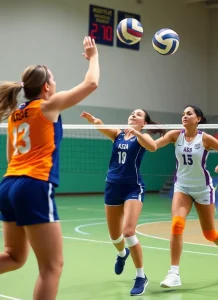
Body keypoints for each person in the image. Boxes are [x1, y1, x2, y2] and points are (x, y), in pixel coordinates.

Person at [0, 36, 99, 300]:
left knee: (14, 256)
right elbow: (91, 83)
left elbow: (11, 156)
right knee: (51, 267)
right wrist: (93, 57)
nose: (56, 84)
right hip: (33, 185)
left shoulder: (15, 115)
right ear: (46, 87)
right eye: (54, 80)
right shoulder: (48, 106)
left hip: (8, 184)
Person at [80, 109, 164, 296]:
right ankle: (121, 254)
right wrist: (94, 120)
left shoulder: (142, 138)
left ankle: (141, 276)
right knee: (115, 237)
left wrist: (137, 133)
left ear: (144, 123)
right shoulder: (118, 134)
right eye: (132, 113)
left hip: (133, 188)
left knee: (128, 231)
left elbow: (153, 147)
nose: (133, 115)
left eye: (138, 115)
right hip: (112, 187)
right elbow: (101, 126)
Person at [153, 105, 218, 288]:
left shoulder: (205, 139)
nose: (184, 116)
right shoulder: (175, 136)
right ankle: (174, 273)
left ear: (198, 119)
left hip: (203, 190)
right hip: (182, 187)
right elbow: (153, 146)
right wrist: (138, 135)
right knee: (177, 225)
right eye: (183, 113)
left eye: (189, 114)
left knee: (209, 234)